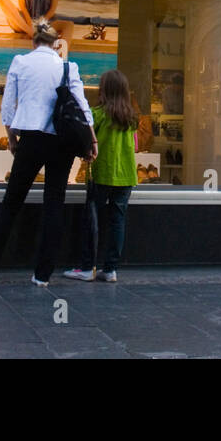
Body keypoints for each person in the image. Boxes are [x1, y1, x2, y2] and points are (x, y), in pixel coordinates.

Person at [0, 18, 95, 286]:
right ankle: (42, 275)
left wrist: (12, 138)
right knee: (54, 204)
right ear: (55, 43)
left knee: (12, 203)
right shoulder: (67, 66)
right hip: (62, 141)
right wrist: (91, 142)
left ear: (33, 41)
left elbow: (9, 105)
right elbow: (82, 107)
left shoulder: (20, 63)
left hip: (31, 138)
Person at [65, 69, 139, 282]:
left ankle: (88, 267)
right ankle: (111, 269)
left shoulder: (97, 115)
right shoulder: (131, 118)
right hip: (126, 176)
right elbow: (134, 146)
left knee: (92, 220)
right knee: (118, 221)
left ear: (104, 89)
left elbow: (88, 141)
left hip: (101, 174)